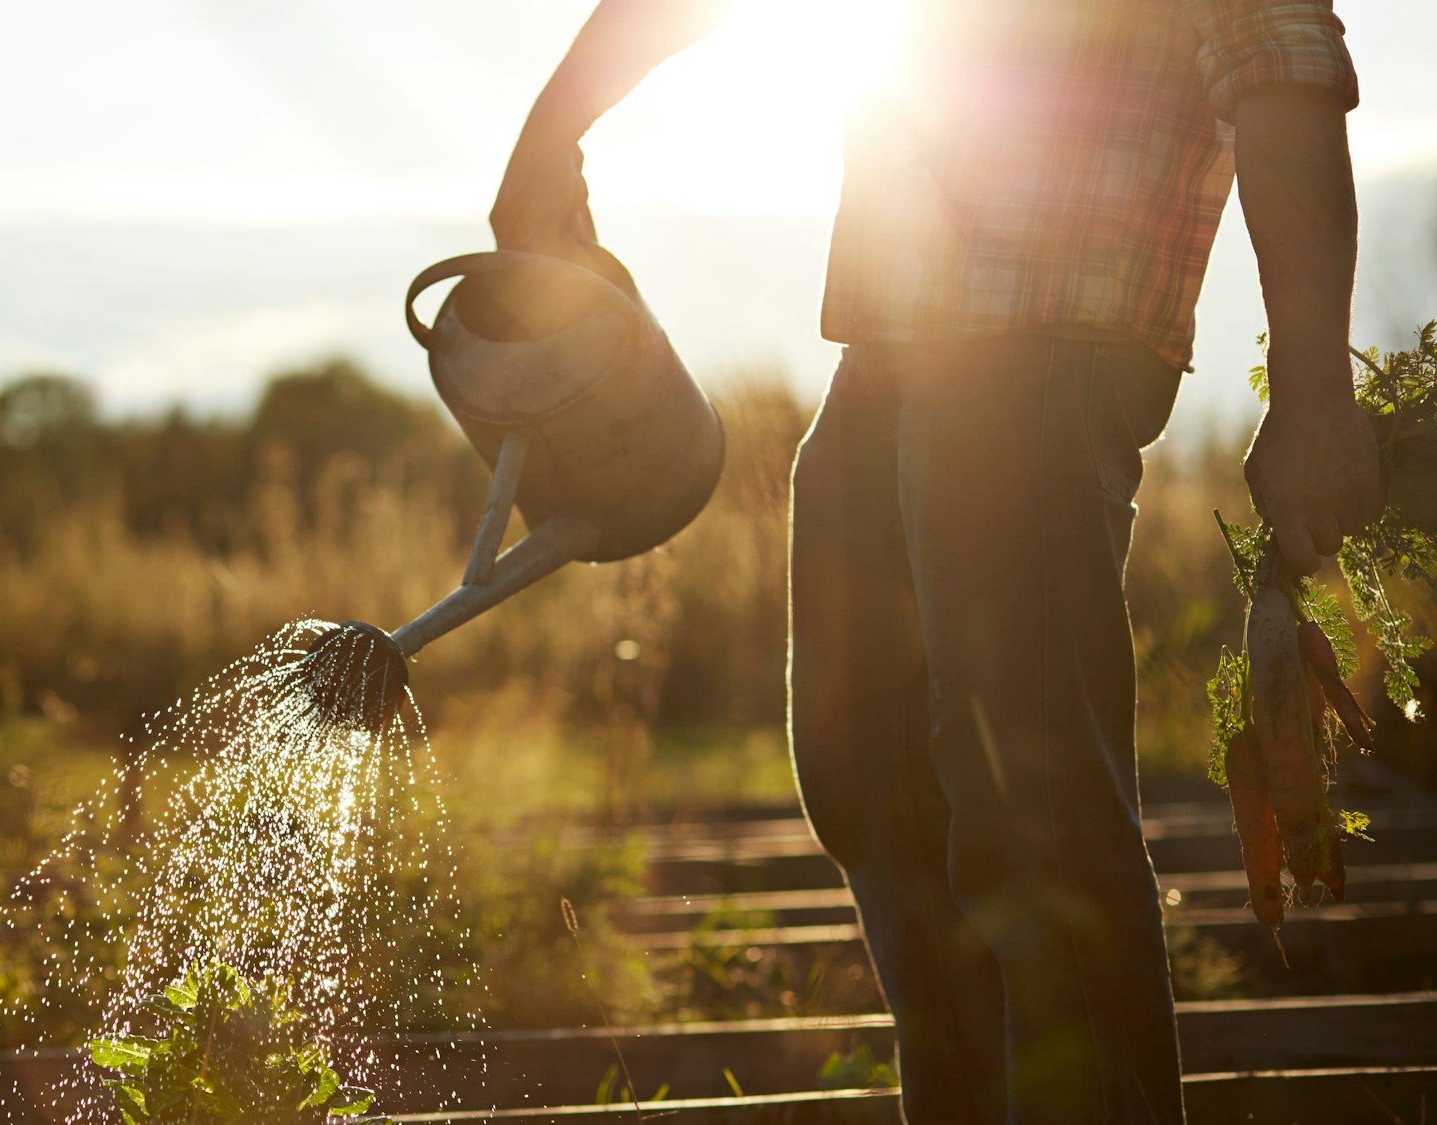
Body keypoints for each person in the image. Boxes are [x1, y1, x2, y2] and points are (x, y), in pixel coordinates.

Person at [492, 2, 1384, 1121]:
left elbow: (1277, 57)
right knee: (870, 785)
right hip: (890, 348)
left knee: (1032, 812)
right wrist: (549, 135)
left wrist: (1313, 399)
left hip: (1048, 349)